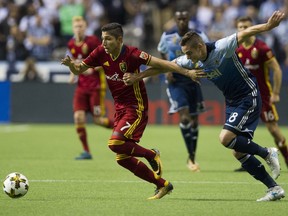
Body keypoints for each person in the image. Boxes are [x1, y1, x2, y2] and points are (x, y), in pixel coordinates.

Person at [123, 11, 286, 202]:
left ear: (200, 46)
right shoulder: (192, 60)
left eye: (189, 53)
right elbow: (164, 65)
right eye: (185, 54)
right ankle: (274, 188)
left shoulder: (221, 47)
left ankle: (268, 152)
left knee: (225, 138)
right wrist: (138, 76)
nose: (188, 58)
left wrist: (267, 26)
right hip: (232, 102)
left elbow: (245, 33)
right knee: (238, 150)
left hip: (247, 96)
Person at [61, 22, 195, 199]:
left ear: (119, 39)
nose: (104, 43)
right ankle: (163, 185)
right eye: (102, 39)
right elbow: (79, 69)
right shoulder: (100, 53)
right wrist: (71, 65)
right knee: (122, 158)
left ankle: (151, 154)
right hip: (120, 109)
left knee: (114, 144)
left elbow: (163, 65)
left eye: (108, 39)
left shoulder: (133, 54)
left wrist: (187, 73)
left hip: (136, 107)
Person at [234, 16, 288, 172]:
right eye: (240, 27)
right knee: (239, 131)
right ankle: (247, 162)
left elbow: (277, 69)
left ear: (253, 28)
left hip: (263, 96)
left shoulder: (262, 48)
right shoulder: (236, 50)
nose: (243, 30)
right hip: (245, 98)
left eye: (246, 27)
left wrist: (276, 93)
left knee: (272, 129)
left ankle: (285, 156)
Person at [157, 9, 208, 172]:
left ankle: (192, 155)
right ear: (175, 19)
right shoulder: (167, 35)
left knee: (194, 120)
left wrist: (202, 68)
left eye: (184, 19)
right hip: (176, 81)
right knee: (185, 117)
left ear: (188, 19)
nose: (181, 22)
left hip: (193, 80)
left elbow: (206, 50)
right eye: (179, 19)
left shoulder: (198, 35)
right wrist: (168, 69)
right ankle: (191, 156)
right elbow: (161, 51)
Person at [67, 16, 113, 160]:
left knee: (98, 120)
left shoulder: (92, 41)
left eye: (81, 26)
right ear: (73, 28)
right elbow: (74, 61)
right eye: (76, 26)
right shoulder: (71, 44)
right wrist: (72, 74)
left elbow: (106, 59)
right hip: (81, 87)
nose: (78, 29)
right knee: (78, 117)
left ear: (85, 27)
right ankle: (86, 151)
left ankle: (122, 129)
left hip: (96, 86)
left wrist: (92, 69)